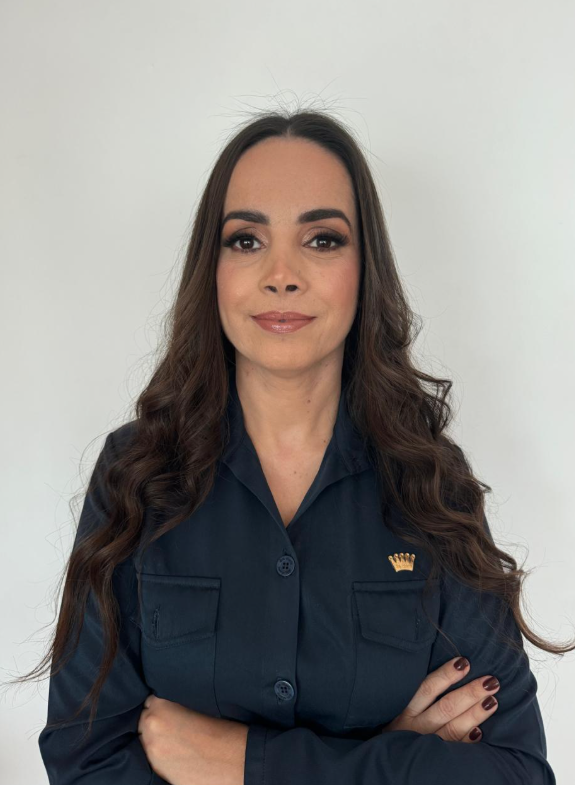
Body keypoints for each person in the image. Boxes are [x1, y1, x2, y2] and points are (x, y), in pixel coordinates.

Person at [25, 110, 568, 783]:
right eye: (247, 240)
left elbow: (515, 772)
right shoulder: (134, 476)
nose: (281, 274)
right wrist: (382, 756)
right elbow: (85, 764)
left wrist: (241, 762)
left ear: (365, 269)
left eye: (321, 239)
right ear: (212, 269)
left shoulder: (430, 484)